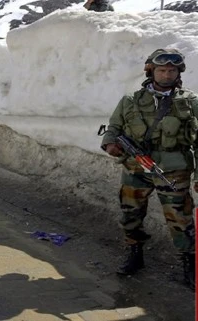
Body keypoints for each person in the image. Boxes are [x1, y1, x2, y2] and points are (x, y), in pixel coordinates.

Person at [100, 48, 197, 289]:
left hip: (174, 170)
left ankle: (190, 265)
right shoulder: (130, 101)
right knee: (130, 214)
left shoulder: (191, 102)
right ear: (151, 71)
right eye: (162, 70)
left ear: (178, 72)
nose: (166, 75)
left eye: (171, 70)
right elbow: (113, 127)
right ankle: (135, 254)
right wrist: (110, 143)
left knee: (181, 220)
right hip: (136, 169)